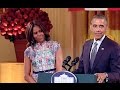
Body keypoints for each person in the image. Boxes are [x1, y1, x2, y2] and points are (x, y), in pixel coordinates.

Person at [73, 14, 120, 83]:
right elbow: (81, 69)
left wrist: (106, 75)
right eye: (95, 26)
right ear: (90, 27)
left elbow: (117, 74)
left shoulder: (113, 46)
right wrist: (68, 75)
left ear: (106, 28)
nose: (98, 30)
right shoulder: (86, 44)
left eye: (101, 26)